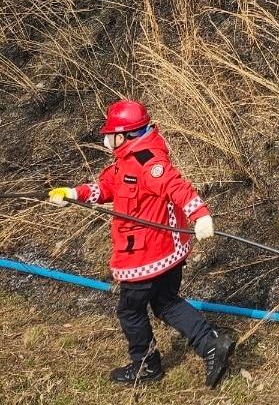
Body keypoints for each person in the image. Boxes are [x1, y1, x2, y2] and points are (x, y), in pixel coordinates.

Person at [48, 99, 233, 388]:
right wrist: (74, 193)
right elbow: (107, 187)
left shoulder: (149, 162)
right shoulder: (129, 159)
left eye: (110, 134)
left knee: (130, 311)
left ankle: (146, 366)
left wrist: (201, 215)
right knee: (166, 303)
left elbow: (177, 187)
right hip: (165, 252)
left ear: (124, 134)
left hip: (145, 256)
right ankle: (211, 346)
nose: (107, 140)